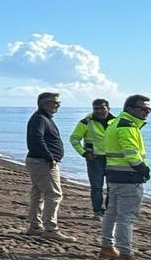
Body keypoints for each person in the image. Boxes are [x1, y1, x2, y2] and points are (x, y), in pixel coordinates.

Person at [99, 94, 151, 260]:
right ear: (130, 109)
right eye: (143, 109)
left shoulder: (114, 123)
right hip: (128, 177)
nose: (147, 112)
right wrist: (142, 169)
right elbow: (130, 152)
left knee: (112, 212)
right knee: (126, 216)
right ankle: (126, 254)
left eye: (149, 109)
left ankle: (107, 246)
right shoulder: (126, 126)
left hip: (114, 175)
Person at [23, 92, 73, 241]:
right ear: (43, 104)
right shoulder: (39, 118)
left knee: (38, 193)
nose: (57, 105)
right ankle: (51, 229)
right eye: (54, 102)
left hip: (39, 161)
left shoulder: (44, 118)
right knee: (54, 195)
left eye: (58, 102)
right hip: (42, 162)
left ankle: (35, 226)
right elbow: (37, 139)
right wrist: (49, 157)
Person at [68, 98, 115, 219]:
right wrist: (84, 153)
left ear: (108, 109)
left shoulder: (116, 122)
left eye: (102, 108)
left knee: (112, 187)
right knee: (96, 187)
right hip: (94, 160)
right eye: (96, 108)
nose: (99, 111)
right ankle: (97, 211)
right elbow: (74, 139)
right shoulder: (86, 122)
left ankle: (109, 212)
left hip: (112, 159)